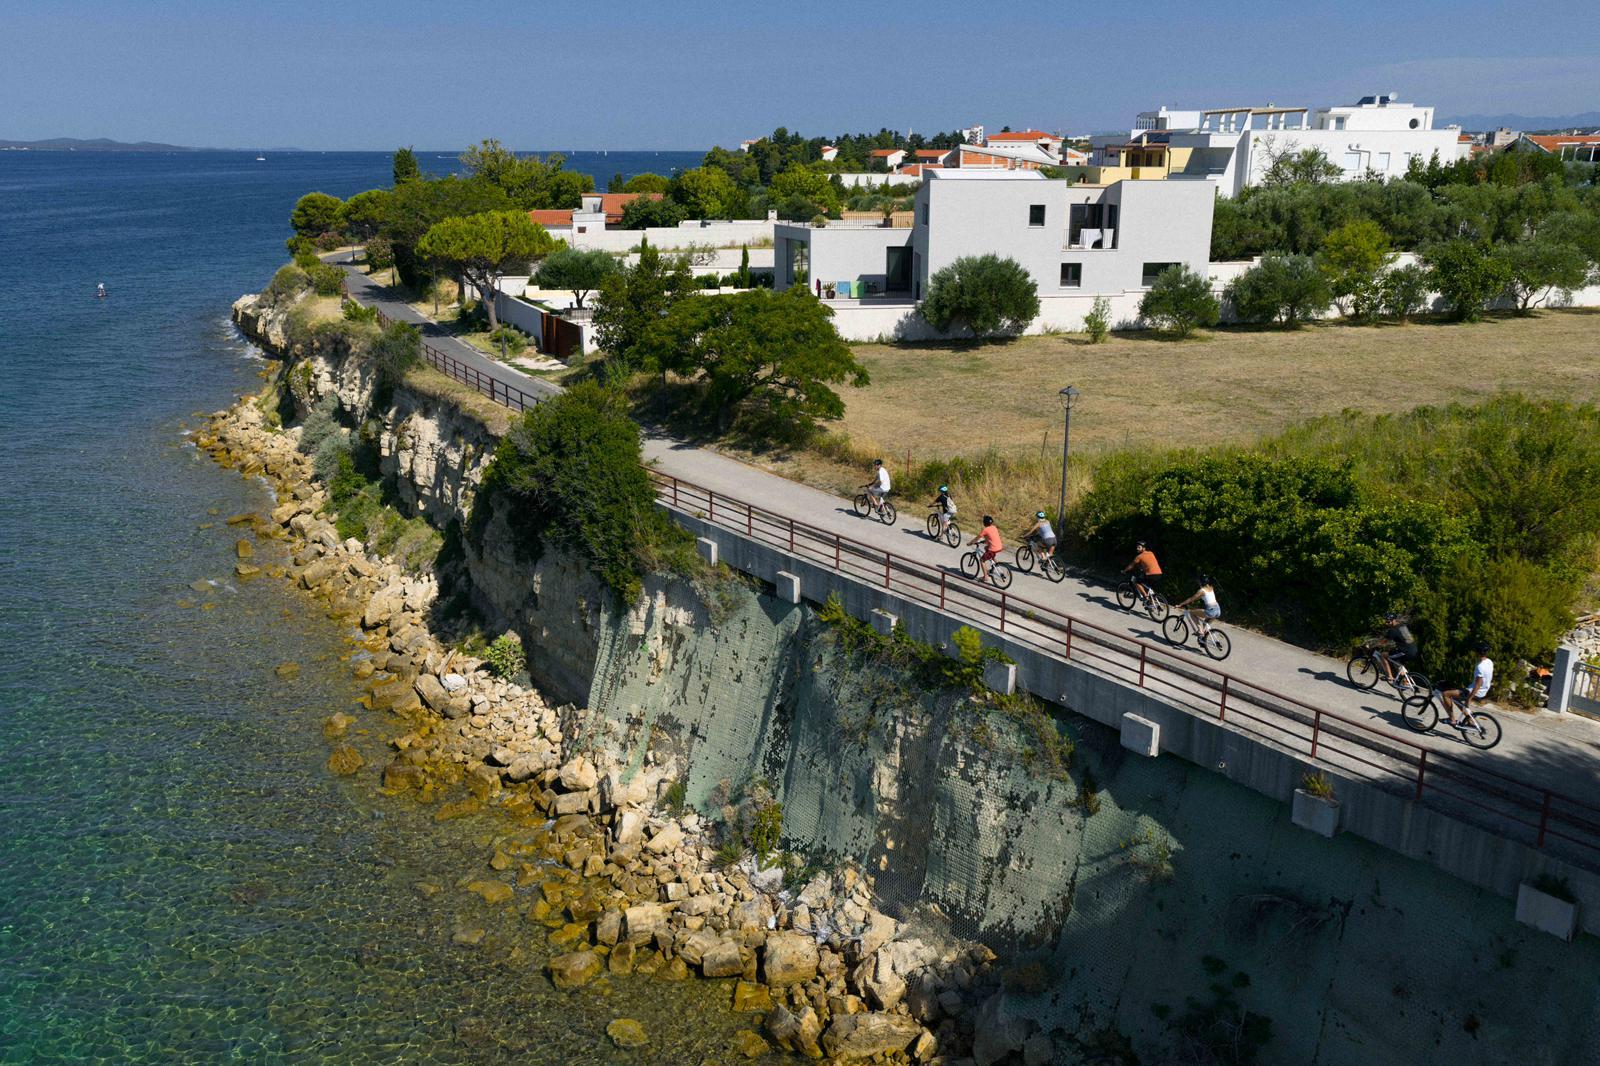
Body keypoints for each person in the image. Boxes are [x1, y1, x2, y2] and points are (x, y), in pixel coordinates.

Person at [1440, 642, 1494, 729]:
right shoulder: (1489, 662)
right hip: (1484, 690)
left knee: (1446, 694)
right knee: (1454, 697)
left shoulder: (1480, 666)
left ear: (1477, 652)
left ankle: (1452, 719)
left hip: (1475, 692)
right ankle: (1469, 719)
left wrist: (1469, 698)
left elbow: (1478, 684)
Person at [1375, 612, 1419, 686]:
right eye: (1385, 621)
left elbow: (1383, 641)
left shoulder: (1393, 630)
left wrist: (1374, 644)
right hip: (1413, 650)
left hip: (1406, 651)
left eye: (1388, 621)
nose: (1386, 623)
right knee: (1396, 662)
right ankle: (1405, 681)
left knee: (1383, 655)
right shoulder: (1402, 625)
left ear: (1393, 620)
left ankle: (1390, 676)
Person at [1123, 541, 1162, 608]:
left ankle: (1146, 598)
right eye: (1137, 547)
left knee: (1137, 582)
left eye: (1139, 547)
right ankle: (1151, 602)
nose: (1137, 549)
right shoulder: (1151, 553)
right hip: (1159, 573)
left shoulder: (1139, 556)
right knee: (1148, 587)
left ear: (1143, 548)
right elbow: (1148, 563)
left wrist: (1124, 571)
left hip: (1151, 574)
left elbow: (1131, 566)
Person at [969, 515, 1003, 582]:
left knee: (982, 560)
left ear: (984, 523)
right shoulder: (994, 527)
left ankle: (985, 577)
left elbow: (977, 538)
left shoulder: (985, 530)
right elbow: (991, 537)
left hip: (993, 548)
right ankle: (996, 565)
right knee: (986, 548)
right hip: (999, 547)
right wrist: (984, 541)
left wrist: (970, 543)